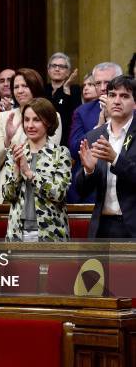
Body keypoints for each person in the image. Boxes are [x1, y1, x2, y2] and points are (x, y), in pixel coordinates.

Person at [75, 75, 136, 239]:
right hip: (102, 226)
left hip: (132, 227)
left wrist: (115, 159)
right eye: (112, 95)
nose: (116, 101)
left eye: (124, 96)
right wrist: (89, 170)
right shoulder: (94, 135)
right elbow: (81, 190)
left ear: (135, 103)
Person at [3, 98, 71, 242]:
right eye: (26, 120)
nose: (30, 125)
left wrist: (29, 173)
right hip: (17, 233)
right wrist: (16, 170)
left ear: (48, 123)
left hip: (52, 233)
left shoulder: (60, 153)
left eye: (36, 120)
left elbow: (59, 193)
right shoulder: (15, 152)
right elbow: (8, 196)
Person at [0, 68, 62, 203]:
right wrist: (7, 140)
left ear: (35, 87)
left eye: (25, 86)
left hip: (39, 188)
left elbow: (49, 155)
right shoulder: (5, 117)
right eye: (16, 87)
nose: (20, 91)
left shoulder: (52, 115)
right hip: (8, 190)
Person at [68, 62, 122, 203]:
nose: (103, 88)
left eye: (108, 82)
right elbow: (74, 150)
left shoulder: (131, 111)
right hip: (90, 191)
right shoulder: (83, 111)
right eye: (98, 83)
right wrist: (99, 126)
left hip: (124, 190)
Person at [44, 52, 81, 147]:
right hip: (44, 138)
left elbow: (72, 116)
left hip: (66, 140)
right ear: (48, 70)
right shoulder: (43, 89)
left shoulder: (75, 89)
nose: (57, 69)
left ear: (68, 72)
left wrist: (66, 89)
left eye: (62, 66)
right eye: (54, 66)